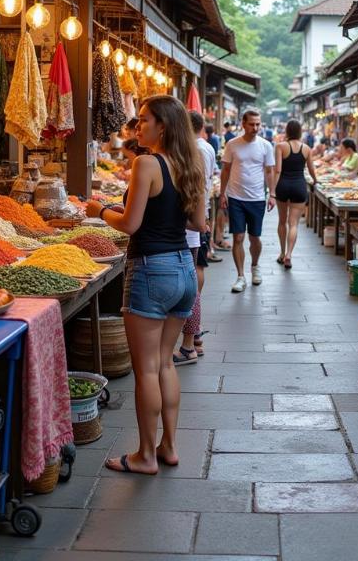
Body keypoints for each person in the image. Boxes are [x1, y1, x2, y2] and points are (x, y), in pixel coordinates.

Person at [85, 95, 206, 475]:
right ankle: (168, 446)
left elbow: (130, 225)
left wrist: (99, 210)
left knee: (147, 370)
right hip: (184, 268)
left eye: (143, 120)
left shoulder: (146, 163)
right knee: (166, 363)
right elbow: (198, 223)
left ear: (162, 126)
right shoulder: (190, 163)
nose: (137, 127)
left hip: (151, 270)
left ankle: (145, 455)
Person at [175, 110, 218, 365]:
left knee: (190, 291)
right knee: (190, 288)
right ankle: (193, 340)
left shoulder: (193, 153)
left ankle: (190, 343)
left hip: (186, 232)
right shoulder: (195, 150)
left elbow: (196, 198)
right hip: (187, 230)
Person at [219, 109, 275, 292]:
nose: (255, 127)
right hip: (236, 197)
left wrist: (272, 194)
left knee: (255, 237)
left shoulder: (266, 145)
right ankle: (241, 276)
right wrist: (222, 193)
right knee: (238, 237)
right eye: (251, 124)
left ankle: (255, 266)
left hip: (257, 198)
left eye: (258, 124)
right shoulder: (232, 144)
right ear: (243, 124)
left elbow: (269, 171)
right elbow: (225, 170)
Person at [274, 118, 317, 269]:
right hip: (299, 185)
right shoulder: (306, 148)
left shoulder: (280, 146)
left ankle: (281, 252)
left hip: (283, 186)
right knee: (293, 224)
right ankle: (289, 255)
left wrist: (272, 191)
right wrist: (315, 180)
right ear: (299, 132)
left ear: (287, 131)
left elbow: (277, 170)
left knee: (282, 221)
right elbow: (311, 170)